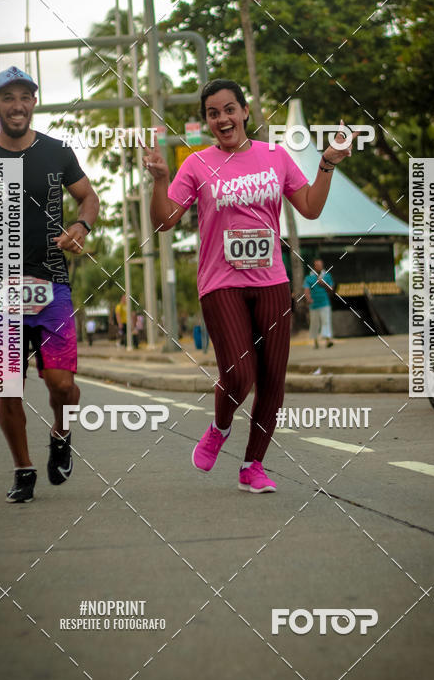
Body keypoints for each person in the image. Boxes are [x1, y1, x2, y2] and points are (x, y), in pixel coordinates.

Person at [144, 78, 356, 493]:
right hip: (220, 284)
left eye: (229, 109)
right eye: (212, 113)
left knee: (273, 381)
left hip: (272, 282)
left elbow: (310, 208)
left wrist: (327, 163)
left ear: (244, 112)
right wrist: (159, 180)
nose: (222, 118)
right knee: (239, 374)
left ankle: (252, 466)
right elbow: (165, 222)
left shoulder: (275, 157)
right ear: (207, 121)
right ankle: (220, 426)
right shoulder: (196, 164)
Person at [0, 66, 99, 503]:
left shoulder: (56, 152)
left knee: (63, 386)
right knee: (8, 386)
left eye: (24, 96)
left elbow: (89, 195)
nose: (17, 105)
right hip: (0, 287)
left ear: (33, 102)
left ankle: (61, 435)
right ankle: (23, 469)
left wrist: (81, 225)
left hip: (52, 285)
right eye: (8, 98)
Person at [303, 257, 335, 348]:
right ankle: (315, 341)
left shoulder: (327, 276)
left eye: (320, 265)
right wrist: (308, 298)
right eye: (317, 265)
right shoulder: (309, 277)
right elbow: (306, 289)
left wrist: (324, 283)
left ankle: (328, 340)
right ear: (314, 266)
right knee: (314, 323)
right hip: (313, 304)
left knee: (326, 321)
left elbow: (331, 289)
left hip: (325, 302)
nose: (319, 267)